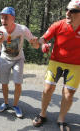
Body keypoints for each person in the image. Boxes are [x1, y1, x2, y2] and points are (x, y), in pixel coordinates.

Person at [32, 1, 80, 130]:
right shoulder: (58, 25)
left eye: (73, 11)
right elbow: (43, 39)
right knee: (48, 89)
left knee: (68, 94)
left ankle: (61, 119)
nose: (68, 13)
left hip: (76, 64)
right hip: (56, 61)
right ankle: (42, 114)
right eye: (67, 9)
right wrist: (38, 43)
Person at [0, 7, 39, 118]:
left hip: (18, 59)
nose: (3, 20)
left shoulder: (22, 29)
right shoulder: (0, 30)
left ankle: (15, 105)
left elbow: (36, 45)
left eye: (6, 18)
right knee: (4, 83)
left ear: (13, 18)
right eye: (2, 18)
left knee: (17, 83)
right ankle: (5, 103)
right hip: (4, 58)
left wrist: (34, 43)